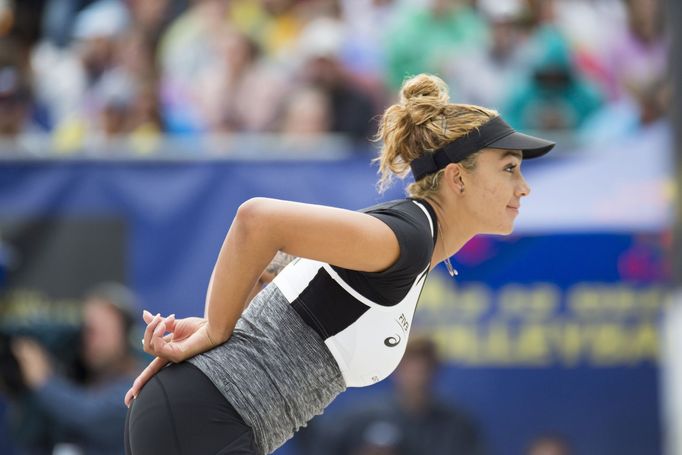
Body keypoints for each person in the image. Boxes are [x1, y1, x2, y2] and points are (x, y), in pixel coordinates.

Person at [123, 73, 555, 455]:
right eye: (510, 169)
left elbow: (276, 279)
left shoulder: (409, 239)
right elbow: (256, 221)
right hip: (203, 415)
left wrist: (225, 328)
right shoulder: (408, 237)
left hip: (203, 414)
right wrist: (217, 330)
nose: (524, 187)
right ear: (458, 178)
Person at [11, 282, 140, 455]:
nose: (88, 340)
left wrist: (42, 380)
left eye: (97, 331)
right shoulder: (82, 377)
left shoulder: (137, 386)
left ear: (124, 333)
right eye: (86, 330)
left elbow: (90, 415)